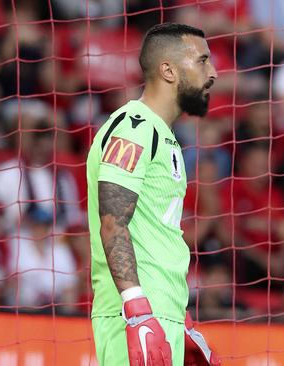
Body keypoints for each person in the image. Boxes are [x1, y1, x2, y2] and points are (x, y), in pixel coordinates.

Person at [86, 23, 220, 366]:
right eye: (202, 61)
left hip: (163, 315)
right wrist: (136, 310)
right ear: (168, 70)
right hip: (135, 317)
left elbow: (157, 233)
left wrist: (181, 320)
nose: (213, 73)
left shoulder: (166, 136)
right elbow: (113, 223)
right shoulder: (134, 126)